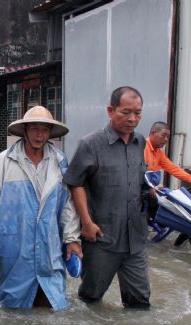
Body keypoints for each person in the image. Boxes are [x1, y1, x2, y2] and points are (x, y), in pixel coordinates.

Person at [0, 106, 81, 310]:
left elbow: (67, 206)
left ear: (50, 134)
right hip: (14, 245)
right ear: (25, 130)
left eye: (44, 130)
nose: (39, 134)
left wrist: (72, 239)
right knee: (13, 306)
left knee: (52, 304)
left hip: (48, 244)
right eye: (34, 128)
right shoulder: (5, 160)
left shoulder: (59, 161)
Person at [63, 86, 151, 308]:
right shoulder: (91, 144)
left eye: (138, 113)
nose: (132, 119)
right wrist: (87, 223)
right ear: (111, 111)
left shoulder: (140, 142)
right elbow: (75, 183)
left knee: (140, 303)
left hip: (135, 238)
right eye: (126, 112)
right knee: (90, 299)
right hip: (101, 237)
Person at [145, 121, 191, 190]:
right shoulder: (142, 148)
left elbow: (173, 169)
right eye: (163, 135)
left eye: (168, 137)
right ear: (153, 132)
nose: (166, 139)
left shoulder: (158, 153)